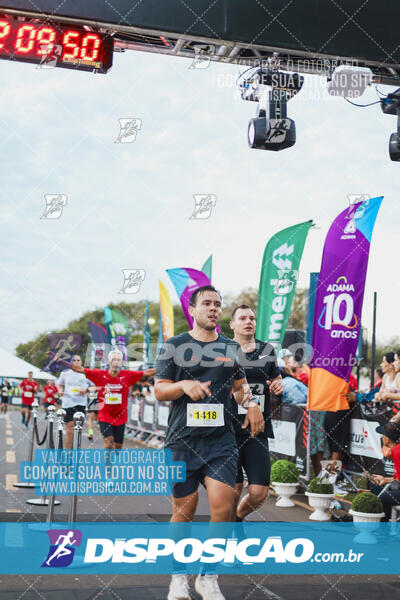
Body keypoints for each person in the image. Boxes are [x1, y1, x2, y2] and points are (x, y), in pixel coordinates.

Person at [155, 286, 264, 600]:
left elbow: (241, 387)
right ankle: (178, 577)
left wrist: (252, 404)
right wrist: (184, 384)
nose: (214, 308)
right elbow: (160, 390)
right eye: (207, 303)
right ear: (193, 309)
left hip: (221, 442)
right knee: (184, 512)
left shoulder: (230, 348)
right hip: (182, 441)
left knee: (223, 507)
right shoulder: (174, 345)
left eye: (218, 304)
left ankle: (208, 575)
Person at [229, 305, 283, 523]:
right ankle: (226, 535)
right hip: (228, 430)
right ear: (232, 324)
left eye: (251, 317)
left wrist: (279, 384)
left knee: (259, 492)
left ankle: (236, 518)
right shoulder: (222, 350)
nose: (248, 321)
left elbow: (276, 377)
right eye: (242, 318)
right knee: (233, 490)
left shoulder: (267, 350)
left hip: (256, 429)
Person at [70, 349, 155, 449]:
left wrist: (167, 365)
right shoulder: (99, 374)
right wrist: (59, 360)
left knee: (118, 446)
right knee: (108, 441)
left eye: (118, 360)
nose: (116, 362)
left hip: (120, 417)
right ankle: (107, 465)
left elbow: (146, 372)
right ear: (109, 362)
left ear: (121, 362)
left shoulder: (128, 375)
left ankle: (112, 460)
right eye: (113, 359)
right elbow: (80, 369)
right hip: (104, 415)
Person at [57, 355, 90, 449]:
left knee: (78, 430)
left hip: (81, 403)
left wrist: (86, 390)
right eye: (74, 360)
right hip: (68, 403)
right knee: (69, 429)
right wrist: (60, 390)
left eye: (78, 360)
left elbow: (94, 386)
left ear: (81, 362)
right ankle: (68, 454)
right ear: (71, 362)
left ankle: (75, 450)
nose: (76, 362)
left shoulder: (86, 373)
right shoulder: (65, 372)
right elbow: (59, 384)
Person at [369, 422, 400, 520]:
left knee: (383, 498)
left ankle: (383, 531)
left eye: (383, 434)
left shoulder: (396, 451)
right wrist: (385, 480)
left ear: (387, 438)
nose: (381, 437)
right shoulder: (396, 449)